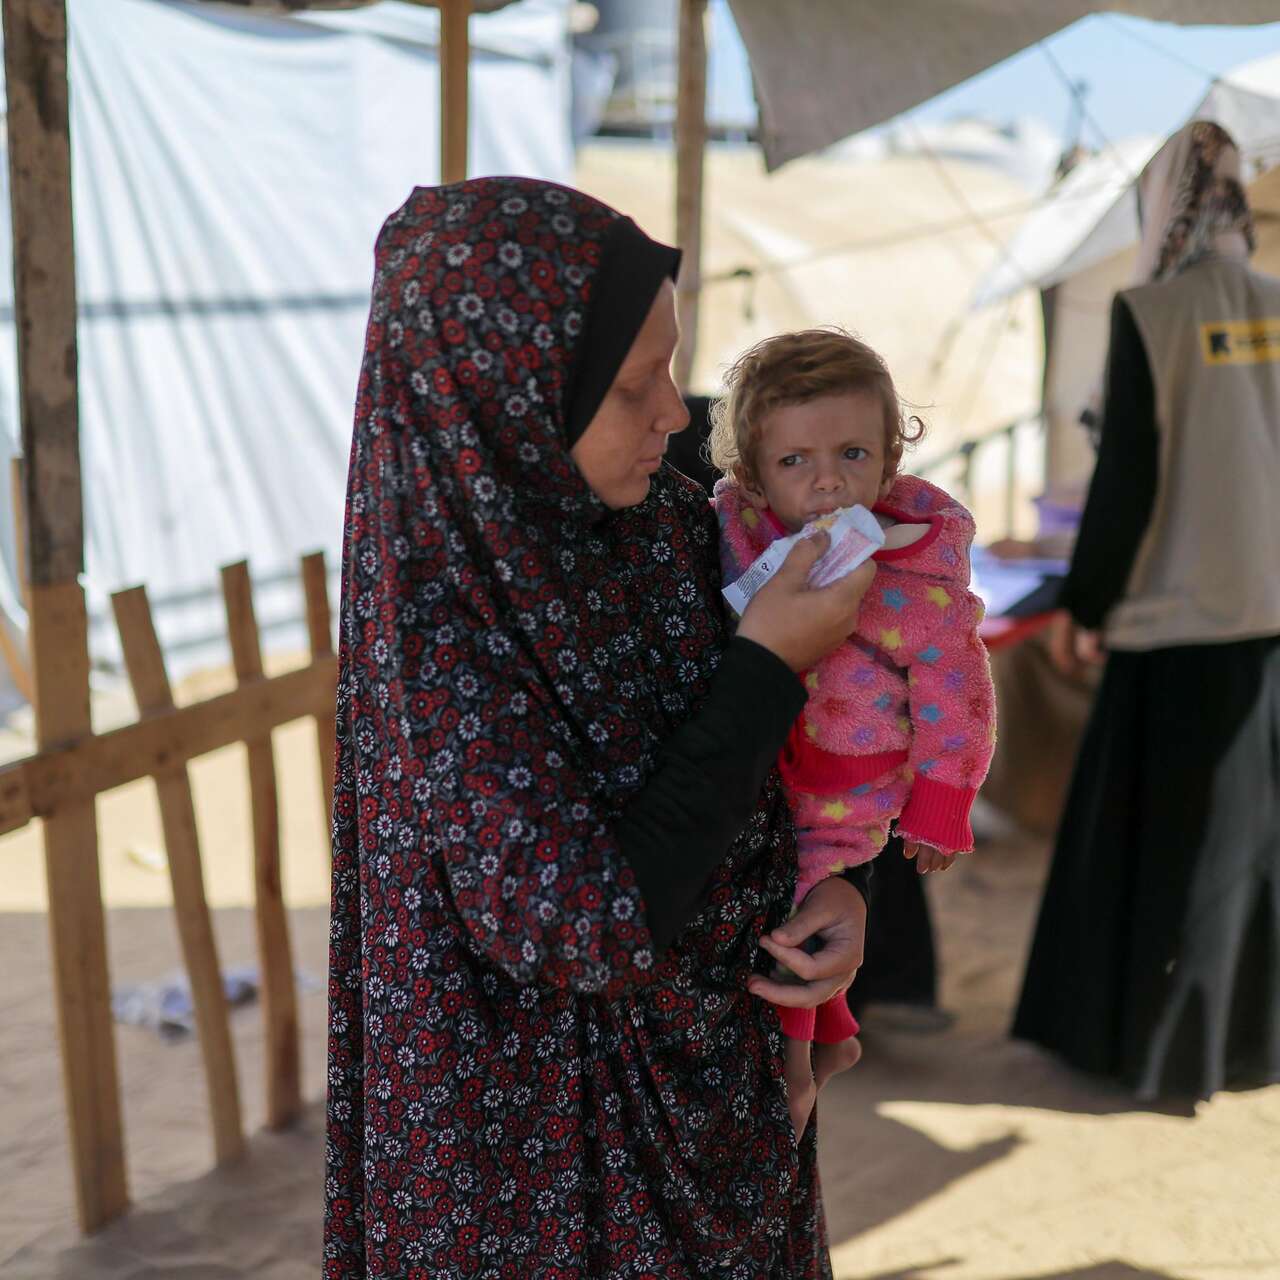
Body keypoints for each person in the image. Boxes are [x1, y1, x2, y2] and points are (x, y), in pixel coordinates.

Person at [324, 177, 882, 1280]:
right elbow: (585, 923)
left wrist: (841, 889)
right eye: (635, 385)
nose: (677, 414)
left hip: (722, 1119)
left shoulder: (670, 520)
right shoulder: (435, 626)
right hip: (537, 1184)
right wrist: (767, 662)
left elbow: (808, 754)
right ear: (510, 397)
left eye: (669, 367)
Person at [1013, 121, 1280, 1100]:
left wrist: (1081, 601)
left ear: (1159, 197)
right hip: (1262, 619)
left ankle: (1137, 1048)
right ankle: (1236, 1048)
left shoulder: (1148, 309)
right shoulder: (1274, 302)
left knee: (1142, 848)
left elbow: (1125, 474)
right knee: (1239, 848)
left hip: (1170, 620)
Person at [709, 329, 997, 1138]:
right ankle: (832, 1044)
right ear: (753, 475)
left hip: (849, 780)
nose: (829, 480)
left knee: (799, 910)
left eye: (854, 453)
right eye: (795, 461)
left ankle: (799, 1071)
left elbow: (960, 693)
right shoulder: (732, 533)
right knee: (780, 901)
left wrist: (942, 801)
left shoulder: (916, 576)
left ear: (892, 461)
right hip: (764, 762)